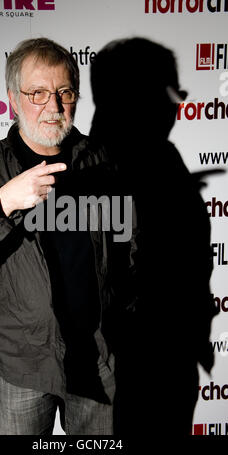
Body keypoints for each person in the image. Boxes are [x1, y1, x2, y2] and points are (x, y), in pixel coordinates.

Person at [0, 38, 116, 435]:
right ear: (13, 100)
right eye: (37, 93)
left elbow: (128, 245)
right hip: (22, 366)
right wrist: (3, 201)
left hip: (96, 361)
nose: (53, 107)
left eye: (64, 92)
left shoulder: (99, 159)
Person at [89, 37, 218, 439]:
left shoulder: (163, 157)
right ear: (136, 93)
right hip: (130, 372)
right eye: (169, 89)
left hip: (170, 359)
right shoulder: (92, 170)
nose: (178, 102)